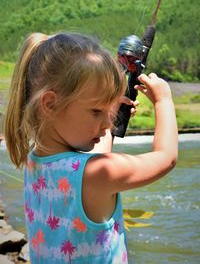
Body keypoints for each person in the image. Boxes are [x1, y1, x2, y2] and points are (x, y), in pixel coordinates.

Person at [4, 32, 178, 264]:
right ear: (50, 104)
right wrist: (163, 101)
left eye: (109, 112)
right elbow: (166, 157)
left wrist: (107, 109)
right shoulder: (95, 174)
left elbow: (96, 158)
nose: (108, 122)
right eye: (96, 111)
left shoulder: (35, 161)